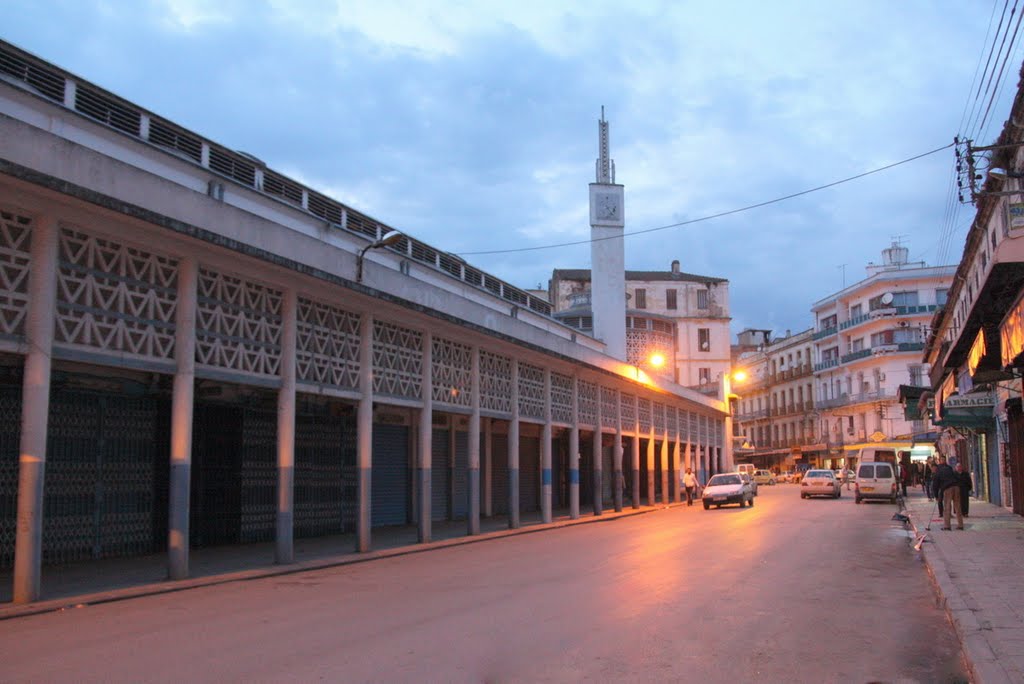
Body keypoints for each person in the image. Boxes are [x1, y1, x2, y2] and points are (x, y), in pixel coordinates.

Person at [932, 456, 962, 530]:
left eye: (932, 469)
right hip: (956, 486)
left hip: (948, 488)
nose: (932, 470)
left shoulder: (937, 472)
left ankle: (947, 526)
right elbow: (956, 476)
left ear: (934, 468)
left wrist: (936, 496)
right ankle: (960, 525)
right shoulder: (949, 468)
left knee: (947, 507)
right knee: (957, 506)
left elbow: (935, 486)